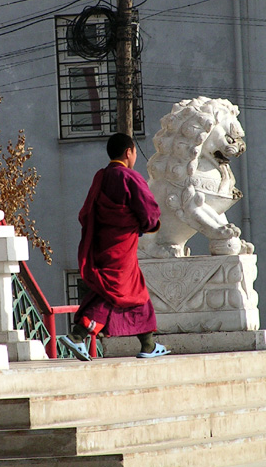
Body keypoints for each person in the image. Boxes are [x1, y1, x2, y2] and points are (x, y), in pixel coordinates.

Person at [60, 133, 171, 361]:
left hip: (102, 243)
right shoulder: (129, 177)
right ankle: (78, 335)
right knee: (113, 291)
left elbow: (86, 213)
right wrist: (145, 225)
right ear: (129, 152)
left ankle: (148, 344)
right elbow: (149, 213)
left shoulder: (101, 177)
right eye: (134, 153)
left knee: (135, 290)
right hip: (121, 246)